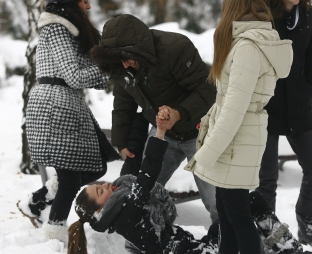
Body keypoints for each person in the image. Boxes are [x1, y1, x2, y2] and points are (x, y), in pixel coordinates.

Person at [66, 113, 312, 254]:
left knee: (247, 202)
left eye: (100, 184)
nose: (105, 186)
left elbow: (139, 178)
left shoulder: (123, 206)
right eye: (100, 192)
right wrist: (159, 132)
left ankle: (294, 253)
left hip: (199, 250)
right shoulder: (125, 215)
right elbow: (146, 176)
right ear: (100, 210)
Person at [183, 0, 294, 254]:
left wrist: (207, 152)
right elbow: (228, 102)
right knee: (226, 209)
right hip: (236, 135)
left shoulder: (247, 47)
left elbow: (234, 109)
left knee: (238, 214)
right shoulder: (247, 41)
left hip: (238, 138)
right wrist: (210, 124)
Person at [89, 14, 219, 224]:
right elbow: (123, 105)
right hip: (162, 135)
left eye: (126, 56)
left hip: (200, 132)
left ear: (139, 48)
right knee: (141, 190)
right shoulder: (121, 66)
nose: (124, 64)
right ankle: (145, 240)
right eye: (117, 59)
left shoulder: (175, 48)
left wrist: (178, 113)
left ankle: (230, 248)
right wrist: (121, 142)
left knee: (216, 200)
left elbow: (207, 89)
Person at [16, 0, 120, 243]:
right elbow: (73, 75)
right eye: (85, 1)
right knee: (71, 178)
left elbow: (77, 70)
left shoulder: (69, 29)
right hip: (55, 106)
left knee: (97, 165)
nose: (89, 7)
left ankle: (37, 202)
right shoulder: (57, 28)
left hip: (66, 105)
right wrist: (107, 70)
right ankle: (54, 233)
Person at [256, 0, 312, 252]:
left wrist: (306, 97)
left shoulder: (310, 15)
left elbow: (310, 60)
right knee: (266, 178)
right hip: (266, 105)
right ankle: (268, 236)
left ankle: (306, 224)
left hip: (299, 107)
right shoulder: (263, 12)